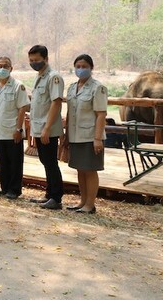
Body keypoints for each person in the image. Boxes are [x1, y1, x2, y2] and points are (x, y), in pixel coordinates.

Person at [64, 54, 108, 214]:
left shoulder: (98, 88)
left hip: (90, 136)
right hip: (75, 135)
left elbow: (101, 115)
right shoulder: (71, 87)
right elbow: (70, 113)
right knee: (80, 169)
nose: (80, 69)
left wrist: (97, 138)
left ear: (91, 68)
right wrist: (66, 135)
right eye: (78, 66)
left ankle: (90, 204)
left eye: (84, 66)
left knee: (90, 170)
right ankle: (82, 201)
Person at [28, 44, 65, 209]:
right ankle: (49, 194)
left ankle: (56, 198)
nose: (34, 63)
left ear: (46, 59)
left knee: (50, 162)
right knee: (45, 161)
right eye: (31, 60)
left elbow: (56, 103)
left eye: (36, 60)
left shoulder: (53, 77)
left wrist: (47, 128)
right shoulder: (39, 76)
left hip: (47, 128)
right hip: (38, 127)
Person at [0, 56, 30, 199]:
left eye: (5, 66)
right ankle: (4, 187)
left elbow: (22, 108)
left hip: (13, 130)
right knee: (2, 161)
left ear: (11, 68)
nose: (2, 68)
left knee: (15, 162)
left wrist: (19, 130)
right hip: (0, 130)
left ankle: (14, 189)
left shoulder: (18, 85)